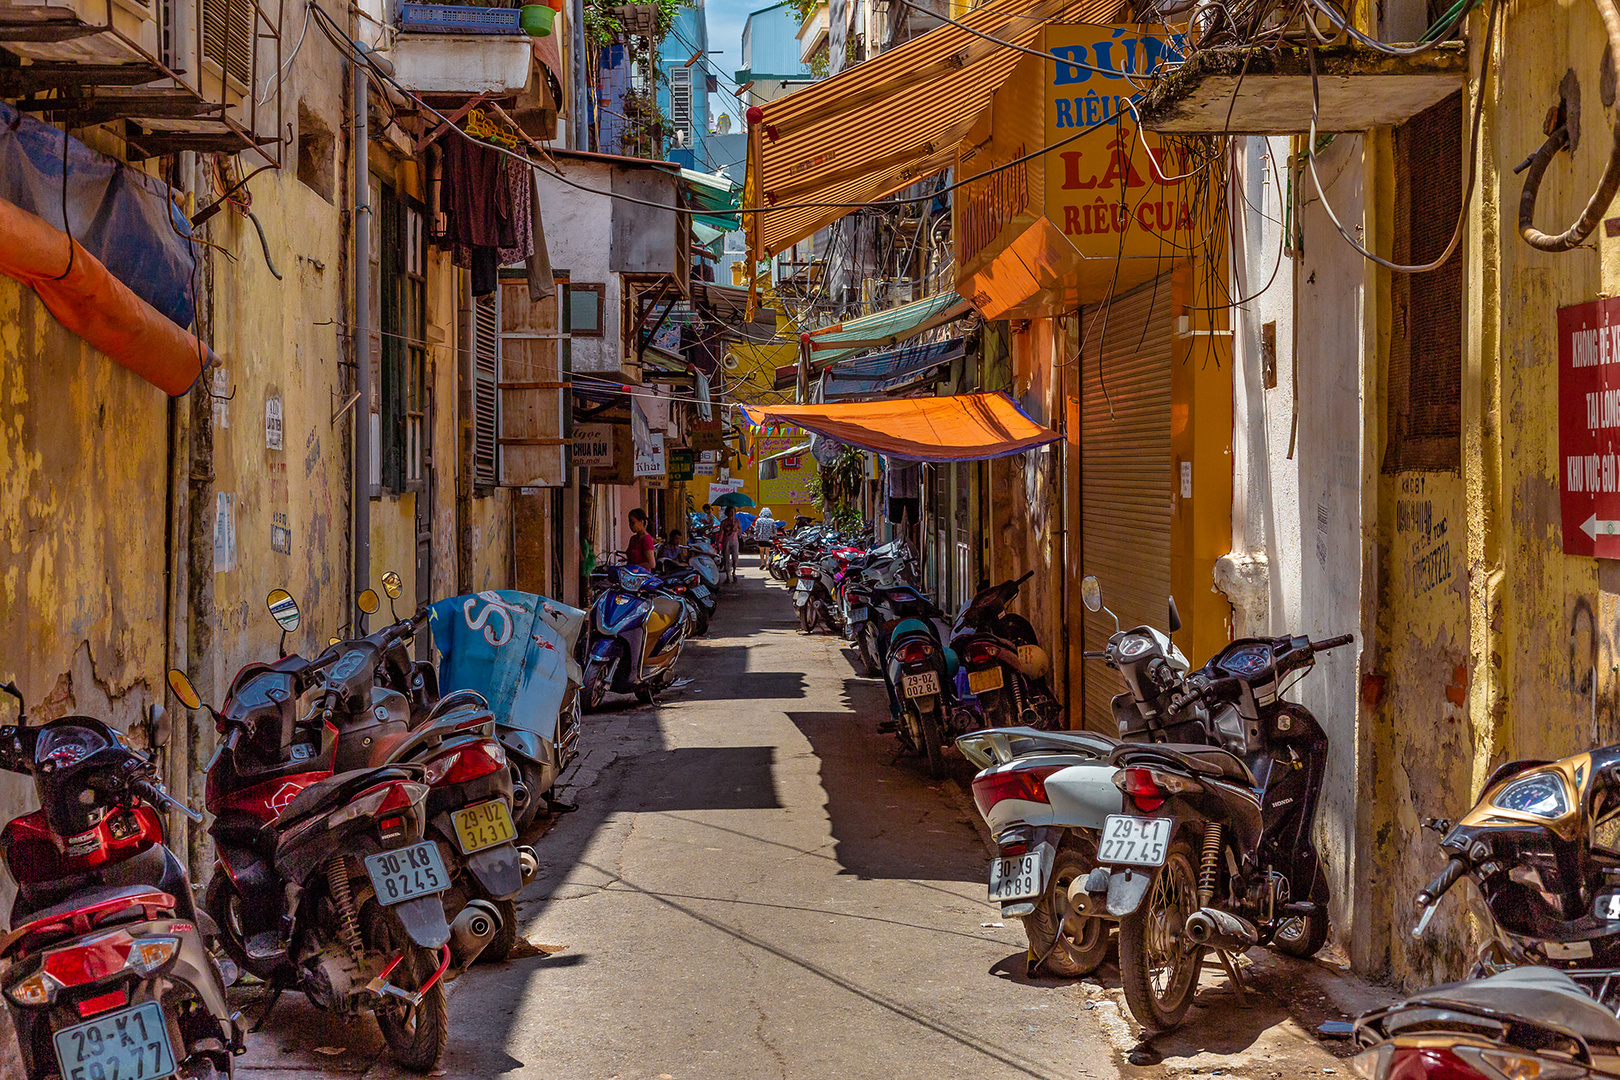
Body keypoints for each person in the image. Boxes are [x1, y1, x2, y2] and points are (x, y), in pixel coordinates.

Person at [718, 506, 742, 583]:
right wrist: (718, 542)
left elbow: (740, 530)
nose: (731, 514)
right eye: (730, 512)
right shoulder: (724, 522)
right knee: (726, 558)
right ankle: (728, 576)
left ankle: (734, 573)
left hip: (735, 541)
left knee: (735, 558)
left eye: (733, 512)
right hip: (726, 541)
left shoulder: (737, 521)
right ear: (727, 513)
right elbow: (720, 532)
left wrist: (736, 528)